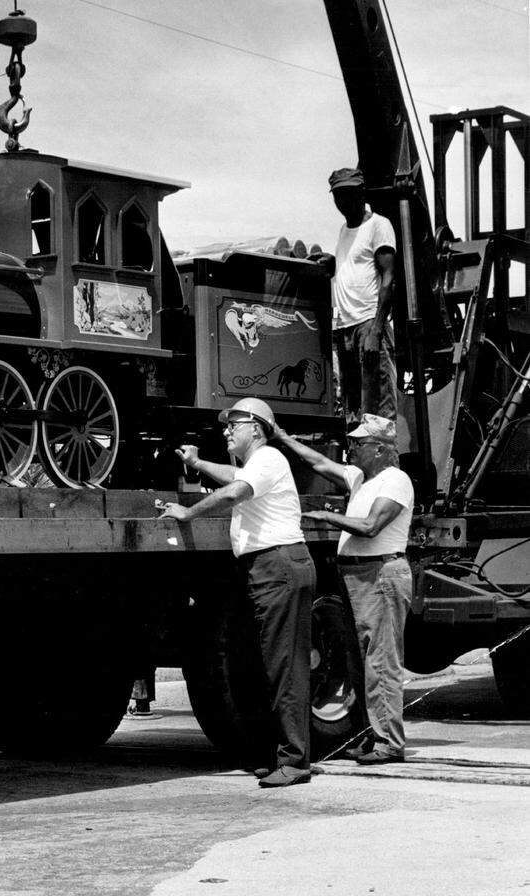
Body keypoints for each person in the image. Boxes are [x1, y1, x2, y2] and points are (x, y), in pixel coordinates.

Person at [159, 397, 316, 788]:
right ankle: (274, 754)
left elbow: (233, 492)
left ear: (257, 429)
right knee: (258, 664)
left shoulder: (269, 459)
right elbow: (231, 475)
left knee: (283, 667)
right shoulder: (256, 465)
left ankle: (295, 762)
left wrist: (187, 512)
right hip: (265, 568)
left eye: (235, 423)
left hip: (278, 566)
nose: (227, 430)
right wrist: (197, 464)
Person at [273, 412, 414, 765]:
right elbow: (319, 461)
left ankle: (390, 742)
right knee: (362, 660)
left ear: (381, 449)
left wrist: (327, 516)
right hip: (359, 576)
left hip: (380, 575)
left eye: (358, 443)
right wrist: (281, 436)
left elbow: (370, 526)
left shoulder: (395, 481)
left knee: (381, 661)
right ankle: (375, 733)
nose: (350, 448)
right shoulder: (360, 477)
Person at [322, 167, 398, 423]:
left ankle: (384, 463)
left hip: (368, 325)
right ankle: (357, 463)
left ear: (362, 193)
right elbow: (354, 266)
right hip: (346, 328)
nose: (344, 201)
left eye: (350, 194)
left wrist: (376, 330)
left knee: (378, 410)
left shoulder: (379, 225)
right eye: (339, 196)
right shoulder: (344, 229)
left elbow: (389, 278)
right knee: (353, 412)